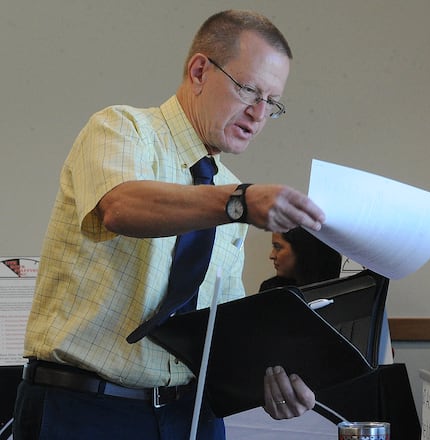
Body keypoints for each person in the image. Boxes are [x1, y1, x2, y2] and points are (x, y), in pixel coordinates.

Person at [14, 10, 324, 440]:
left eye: (271, 103)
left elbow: (218, 329)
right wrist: (236, 203)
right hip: (89, 410)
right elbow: (122, 207)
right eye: (249, 90)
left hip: (191, 415)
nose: (258, 115)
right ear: (200, 70)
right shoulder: (121, 130)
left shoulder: (231, 192)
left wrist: (269, 378)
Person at [259, 227, 342, 291]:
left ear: (301, 250)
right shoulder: (271, 291)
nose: (272, 255)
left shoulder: (340, 288)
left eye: (278, 247)